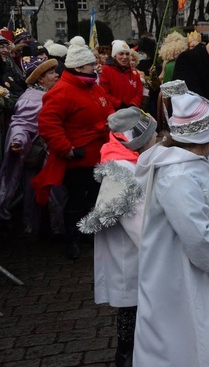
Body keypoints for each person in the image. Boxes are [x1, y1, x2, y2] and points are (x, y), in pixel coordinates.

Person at [132, 83, 209, 367]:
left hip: (185, 269)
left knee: (191, 335)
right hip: (181, 274)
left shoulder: (187, 163)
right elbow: (196, 234)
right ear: (206, 136)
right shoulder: (179, 175)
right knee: (188, 338)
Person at [77, 107, 157, 367]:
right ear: (141, 140)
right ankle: (126, 352)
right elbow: (135, 219)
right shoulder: (122, 168)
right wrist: (156, 246)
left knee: (134, 301)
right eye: (153, 135)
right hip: (130, 248)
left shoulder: (125, 156)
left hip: (130, 247)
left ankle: (132, 349)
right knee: (132, 303)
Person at [34, 43, 115, 259]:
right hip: (78, 156)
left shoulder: (92, 86)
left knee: (94, 197)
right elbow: (48, 124)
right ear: (79, 68)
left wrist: (112, 121)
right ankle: (72, 239)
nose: (96, 68)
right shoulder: (61, 91)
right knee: (77, 199)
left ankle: (86, 232)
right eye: (91, 64)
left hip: (98, 153)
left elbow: (107, 108)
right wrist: (66, 149)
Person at [0, 56, 59, 234]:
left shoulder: (50, 93)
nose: (56, 75)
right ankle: (44, 230)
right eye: (51, 73)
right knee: (41, 193)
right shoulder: (31, 99)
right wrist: (18, 140)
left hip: (54, 154)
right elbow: (21, 124)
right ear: (40, 79)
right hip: (42, 156)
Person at [99, 40, 144, 110]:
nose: (125, 57)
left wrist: (133, 105)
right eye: (121, 54)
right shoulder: (105, 70)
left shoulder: (134, 72)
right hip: (113, 112)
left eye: (127, 54)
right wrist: (119, 105)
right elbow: (104, 93)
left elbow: (139, 92)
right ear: (114, 56)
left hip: (131, 112)